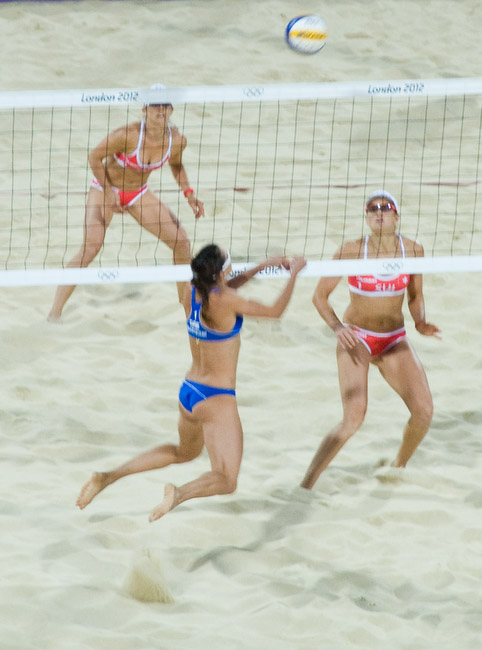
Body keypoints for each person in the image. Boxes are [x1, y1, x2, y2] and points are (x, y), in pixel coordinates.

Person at [76, 244, 306, 520]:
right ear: (220, 272)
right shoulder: (227, 301)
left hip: (190, 392)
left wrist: (262, 266)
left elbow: (225, 289)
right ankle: (179, 494)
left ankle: (107, 477)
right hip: (217, 398)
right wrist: (295, 273)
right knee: (226, 480)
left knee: (183, 453)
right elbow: (275, 311)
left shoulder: (192, 291)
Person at [300, 190, 441, 490]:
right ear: (366, 218)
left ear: (396, 216)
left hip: (393, 339)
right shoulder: (351, 251)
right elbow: (319, 297)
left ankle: (398, 466)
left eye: (385, 208)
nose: (378, 212)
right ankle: (306, 485)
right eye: (372, 208)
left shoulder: (413, 250)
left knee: (424, 412)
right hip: (358, 338)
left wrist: (420, 322)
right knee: (353, 418)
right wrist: (337, 327)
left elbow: (415, 296)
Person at [48, 85, 204, 321]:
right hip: (104, 189)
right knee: (91, 247)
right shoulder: (128, 135)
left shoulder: (177, 141)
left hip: (137, 193)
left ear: (171, 110)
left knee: (181, 242)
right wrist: (109, 193)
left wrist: (189, 194)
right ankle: (55, 313)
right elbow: (94, 157)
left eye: (165, 105)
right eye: (155, 105)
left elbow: (176, 165)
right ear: (145, 109)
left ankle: (188, 310)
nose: (161, 110)